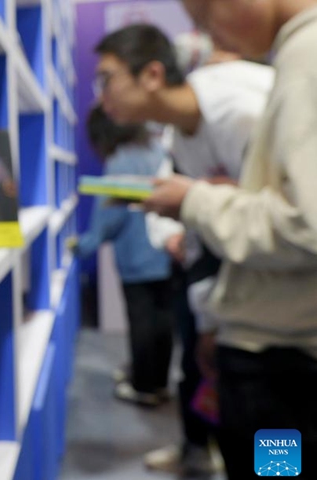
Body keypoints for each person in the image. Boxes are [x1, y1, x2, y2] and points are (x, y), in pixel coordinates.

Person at [144, 1, 317, 478]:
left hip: (277, 360)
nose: (209, 33)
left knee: (274, 473)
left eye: (204, 12)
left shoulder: (306, 57)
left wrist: (196, 202)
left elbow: (307, 223)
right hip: (277, 348)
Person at [94, 23, 274, 474]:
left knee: (277, 449)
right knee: (243, 431)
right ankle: (198, 449)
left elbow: (286, 222)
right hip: (239, 315)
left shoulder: (242, 110)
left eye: (108, 78)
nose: (102, 96)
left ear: (152, 74)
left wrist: (196, 202)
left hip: (281, 333)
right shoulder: (183, 135)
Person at [71, 104, 173, 407]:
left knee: (141, 322)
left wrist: (83, 245)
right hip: (166, 253)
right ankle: (159, 383)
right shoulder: (158, 150)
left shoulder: (120, 160)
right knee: (162, 322)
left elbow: (110, 216)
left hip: (135, 258)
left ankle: (143, 387)